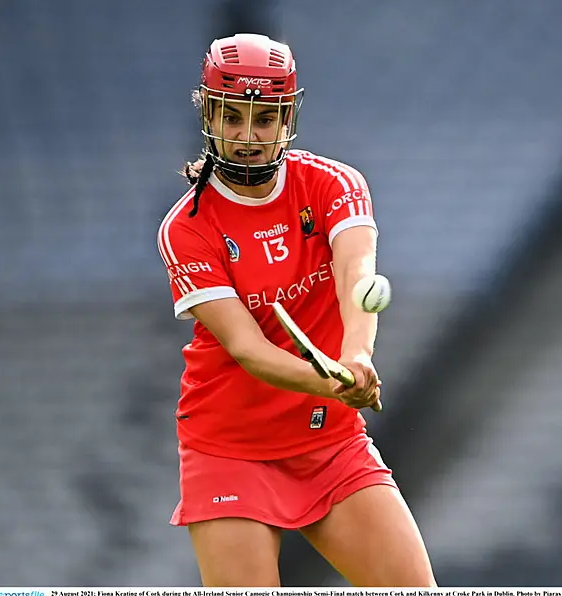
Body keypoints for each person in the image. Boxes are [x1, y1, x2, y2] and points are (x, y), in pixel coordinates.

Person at [156, 33, 437, 587]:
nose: (246, 137)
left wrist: (354, 359)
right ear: (208, 113)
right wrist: (331, 382)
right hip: (230, 447)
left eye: (264, 119)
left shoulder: (334, 184)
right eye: (232, 117)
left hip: (330, 441)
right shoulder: (186, 227)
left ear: (288, 119)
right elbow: (247, 349)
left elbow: (355, 277)